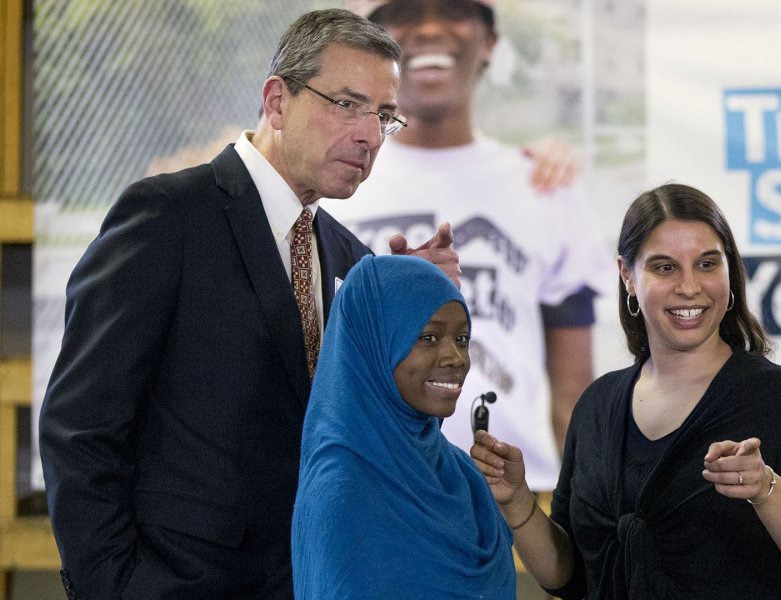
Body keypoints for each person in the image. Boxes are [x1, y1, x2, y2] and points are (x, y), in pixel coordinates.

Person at [38, 9, 461, 600]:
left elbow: (353, 438)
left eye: (384, 116)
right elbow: (81, 426)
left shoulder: (350, 258)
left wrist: (406, 309)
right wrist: (113, 586)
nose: (368, 135)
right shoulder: (168, 216)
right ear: (277, 100)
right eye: (346, 104)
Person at [470, 183, 781, 599]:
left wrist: (765, 489)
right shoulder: (597, 405)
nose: (689, 286)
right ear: (627, 275)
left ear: (730, 271)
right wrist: (517, 502)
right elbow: (571, 577)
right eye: (664, 267)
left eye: (707, 264)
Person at [326, 0, 613, 491]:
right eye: (405, 12)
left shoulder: (543, 185)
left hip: (518, 505)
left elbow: (574, 394)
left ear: (490, 41)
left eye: (455, 10)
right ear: (367, 41)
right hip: (370, 496)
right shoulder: (331, 186)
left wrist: (589, 519)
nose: (431, 28)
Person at [291, 254, 515, 599]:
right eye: (428, 338)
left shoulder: (461, 474)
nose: (456, 357)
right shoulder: (342, 487)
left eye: (462, 339)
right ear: (375, 346)